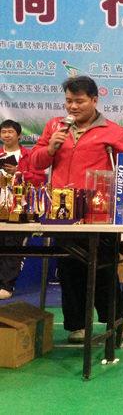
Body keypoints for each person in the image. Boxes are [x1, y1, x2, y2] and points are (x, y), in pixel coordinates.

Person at [29, 76, 123, 341]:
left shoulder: (113, 131)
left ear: (94, 100)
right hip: (62, 211)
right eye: (69, 101)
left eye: (79, 101)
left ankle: (116, 319)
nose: (73, 107)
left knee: (104, 266)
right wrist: (51, 147)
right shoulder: (54, 126)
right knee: (69, 268)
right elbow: (36, 162)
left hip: (97, 212)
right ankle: (77, 324)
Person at [0, 119, 48, 300]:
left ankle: (6, 285)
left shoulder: (29, 156)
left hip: (21, 208)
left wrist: (19, 173)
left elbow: (40, 179)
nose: (6, 135)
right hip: (0, 206)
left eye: (10, 132)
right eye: (3, 132)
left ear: (19, 135)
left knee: (14, 245)